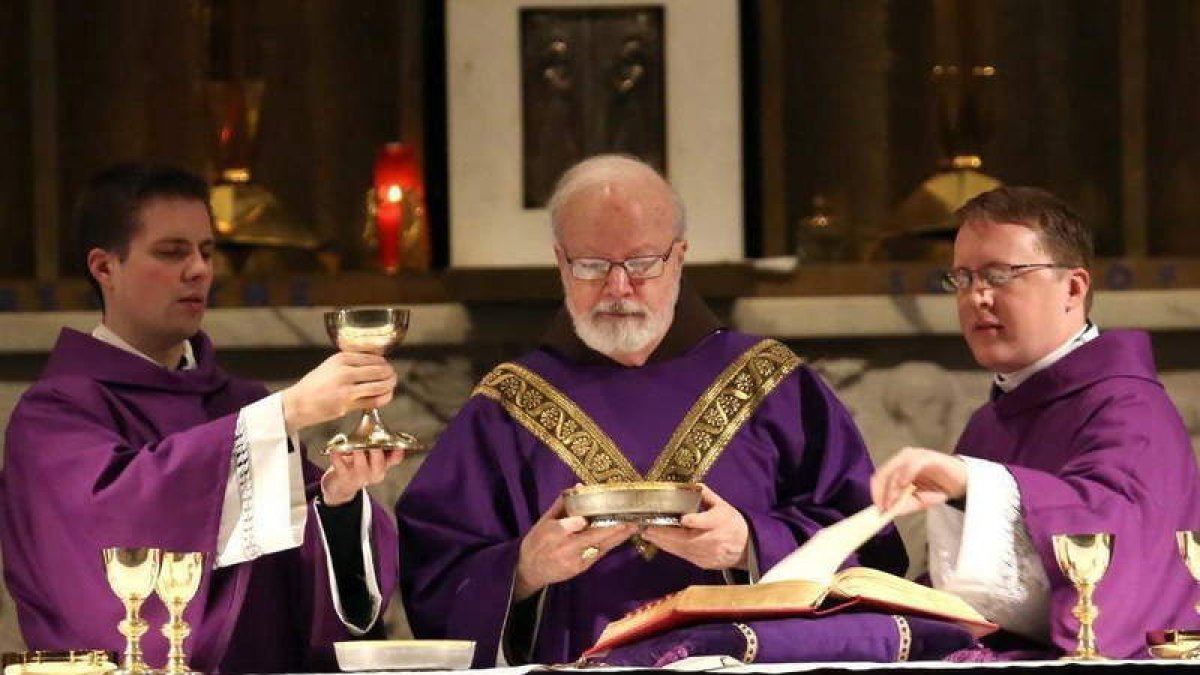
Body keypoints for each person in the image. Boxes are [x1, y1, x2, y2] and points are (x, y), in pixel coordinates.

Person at [395, 155, 910, 666]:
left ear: (679, 257)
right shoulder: (505, 407)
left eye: (641, 264)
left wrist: (750, 544)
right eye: (592, 266)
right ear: (560, 261)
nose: (618, 287)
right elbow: (435, 575)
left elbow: (870, 544)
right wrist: (524, 570)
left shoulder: (771, 382)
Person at [1, 163, 405, 673]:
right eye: (172, 253)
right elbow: (119, 525)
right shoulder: (56, 415)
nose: (199, 270)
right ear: (105, 268)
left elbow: (307, 586)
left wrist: (339, 503)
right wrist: (289, 410)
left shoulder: (238, 403)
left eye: (207, 252)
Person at [871, 186, 1200, 659]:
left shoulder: (1128, 406)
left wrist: (973, 482)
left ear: (1073, 287)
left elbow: (1112, 540)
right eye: (961, 278)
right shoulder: (992, 419)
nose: (977, 297)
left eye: (1000, 275)